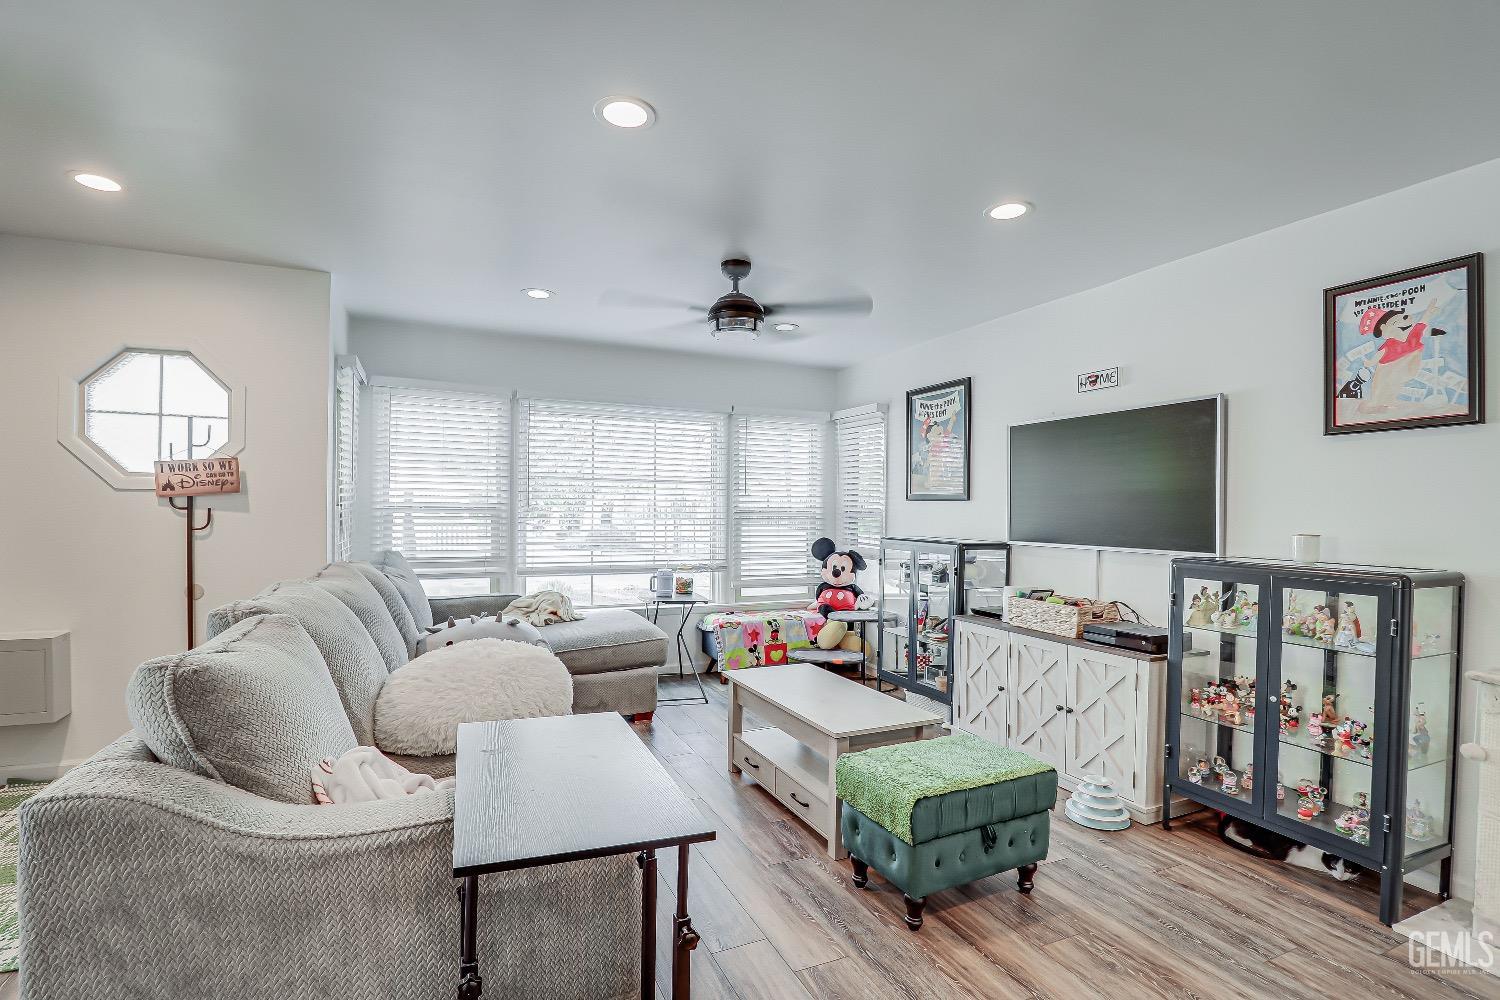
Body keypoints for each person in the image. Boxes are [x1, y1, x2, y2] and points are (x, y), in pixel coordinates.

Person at [1357, 299, 1445, 414]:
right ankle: (1376, 403)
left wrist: (1428, 313)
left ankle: (1387, 402)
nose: (1406, 322)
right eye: (1396, 323)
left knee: (1394, 387)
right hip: (1386, 370)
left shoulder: (1412, 338)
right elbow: (1380, 354)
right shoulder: (1390, 343)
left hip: (1402, 368)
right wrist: (1370, 363)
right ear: (1384, 329)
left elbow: (1420, 326)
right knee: (1381, 387)